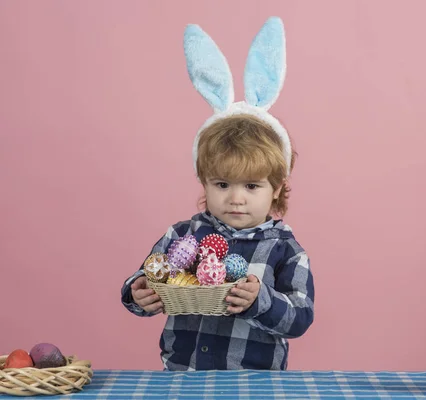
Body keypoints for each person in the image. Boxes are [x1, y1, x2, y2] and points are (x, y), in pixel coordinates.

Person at [120, 16, 314, 371]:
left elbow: (301, 318)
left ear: (277, 188)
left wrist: (262, 301)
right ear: (204, 181)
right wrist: (139, 293)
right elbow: (147, 277)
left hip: (258, 384)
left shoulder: (286, 249)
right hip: (182, 377)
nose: (235, 198)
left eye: (251, 186)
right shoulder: (182, 236)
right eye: (222, 184)